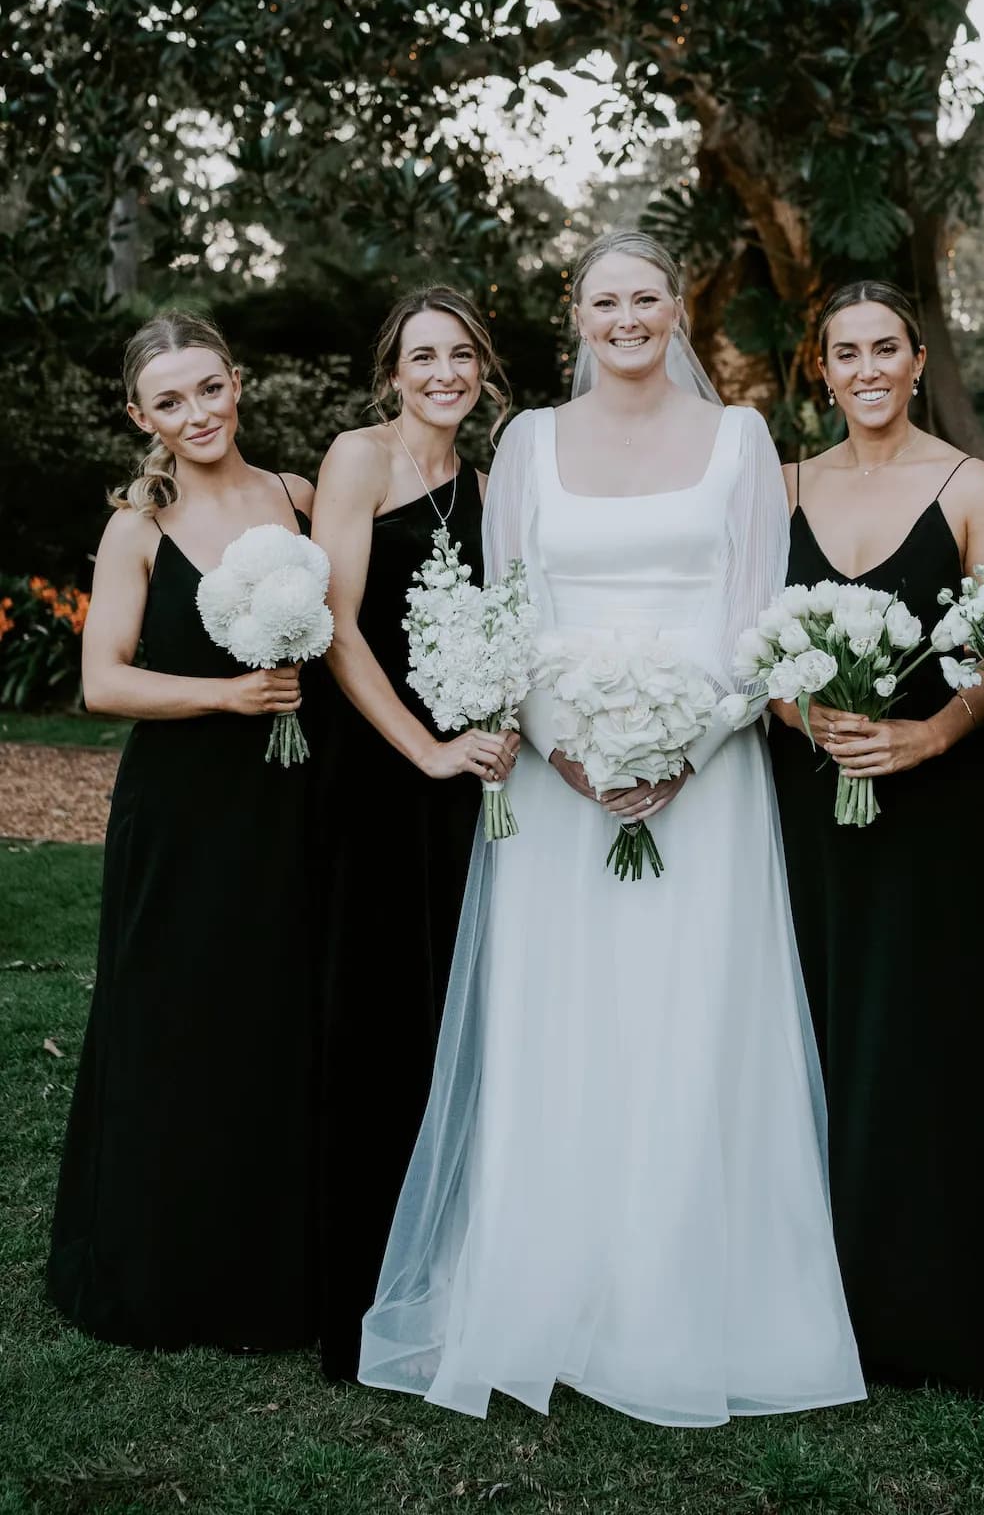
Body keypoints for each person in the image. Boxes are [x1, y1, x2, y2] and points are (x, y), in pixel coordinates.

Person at [359, 231, 865, 1425]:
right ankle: (551, 1289)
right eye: (604, 300)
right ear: (576, 314)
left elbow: (760, 617)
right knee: (565, 1021)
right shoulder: (526, 442)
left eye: (645, 298)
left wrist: (687, 744)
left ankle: (691, 1300)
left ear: (674, 310)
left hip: (711, 781)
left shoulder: (742, 440)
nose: (626, 317)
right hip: (556, 781)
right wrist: (564, 743)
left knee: (692, 1020)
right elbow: (508, 611)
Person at [48, 311, 319, 1350]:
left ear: (237, 384)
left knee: (274, 1023)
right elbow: (100, 679)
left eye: (208, 388)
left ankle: (274, 1265)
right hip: (181, 812)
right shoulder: (137, 527)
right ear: (140, 416)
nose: (196, 413)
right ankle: (166, 1266)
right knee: (174, 1022)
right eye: (170, 400)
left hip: (289, 807)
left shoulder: (295, 499)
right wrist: (229, 697)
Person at [767, 280, 984, 1396]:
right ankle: (806, 1296)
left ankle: (926, 1300)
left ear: (919, 359)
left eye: (885, 349)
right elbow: (752, 639)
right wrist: (800, 711)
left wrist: (929, 735)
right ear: (821, 372)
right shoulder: (780, 485)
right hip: (803, 800)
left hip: (932, 806)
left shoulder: (973, 486)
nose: (865, 369)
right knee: (808, 1026)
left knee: (921, 1037)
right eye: (843, 353)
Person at [310, 287, 517, 1380]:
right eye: (423, 356)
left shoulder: (486, 487)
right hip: (377, 769)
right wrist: (424, 749)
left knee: (450, 1017)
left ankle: (442, 1273)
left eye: (462, 355)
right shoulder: (359, 459)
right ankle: (355, 1295)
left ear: (483, 369)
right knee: (372, 1015)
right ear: (393, 370)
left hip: (463, 786)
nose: (444, 372)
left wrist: (490, 729)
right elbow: (338, 628)